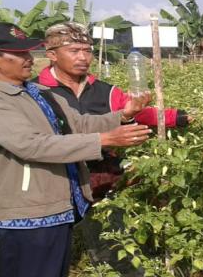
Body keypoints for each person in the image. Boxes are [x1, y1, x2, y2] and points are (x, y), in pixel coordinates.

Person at [0, 21, 152, 277]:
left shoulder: (37, 93)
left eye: (28, 51)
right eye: (18, 53)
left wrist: (123, 115)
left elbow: (79, 124)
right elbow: (31, 145)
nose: (28, 59)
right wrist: (105, 142)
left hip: (56, 200)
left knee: (47, 274)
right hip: (24, 207)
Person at [33, 22, 190, 199]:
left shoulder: (106, 91)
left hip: (103, 181)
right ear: (52, 54)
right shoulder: (34, 92)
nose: (83, 57)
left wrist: (184, 116)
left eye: (87, 51)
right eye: (74, 51)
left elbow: (141, 113)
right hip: (55, 182)